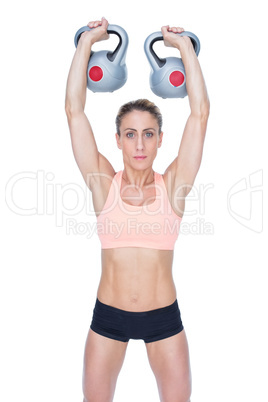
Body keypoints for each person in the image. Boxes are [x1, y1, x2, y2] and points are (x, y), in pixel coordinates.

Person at [65, 17, 209, 402]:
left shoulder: (173, 187)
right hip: (108, 316)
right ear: (118, 140)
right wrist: (87, 44)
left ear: (161, 140)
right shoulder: (103, 185)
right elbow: (74, 111)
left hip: (164, 318)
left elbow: (200, 114)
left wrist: (184, 49)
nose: (140, 145)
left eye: (148, 134)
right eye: (131, 134)